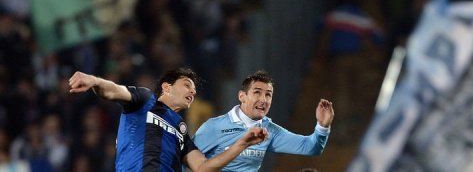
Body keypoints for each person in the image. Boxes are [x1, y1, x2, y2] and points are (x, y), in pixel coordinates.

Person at [68, 67, 268, 171]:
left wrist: (241, 144)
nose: (193, 91)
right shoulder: (146, 100)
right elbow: (113, 91)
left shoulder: (181, 130)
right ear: (166, 87)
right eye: (187, 84)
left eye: (195, 89)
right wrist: (94, 80)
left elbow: (203, 167)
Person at [193, 71, 335, 171]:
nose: (263, 100)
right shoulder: (214, 127)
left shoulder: (269, 131)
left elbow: (311, 147)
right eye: (257, 92)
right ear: (242, 96)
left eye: (268, 95)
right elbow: (185, 159)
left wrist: (323, 126)